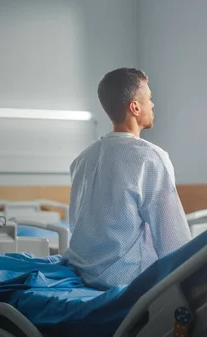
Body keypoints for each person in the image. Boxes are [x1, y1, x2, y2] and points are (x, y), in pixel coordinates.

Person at [62, 67, 192, 289]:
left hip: (81, 274)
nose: (152, 105)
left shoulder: (83, 159)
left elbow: (76, 224)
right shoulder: (150, 159)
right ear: (135, 106)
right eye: (149, 98)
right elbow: (172, 241)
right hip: (125, 280)